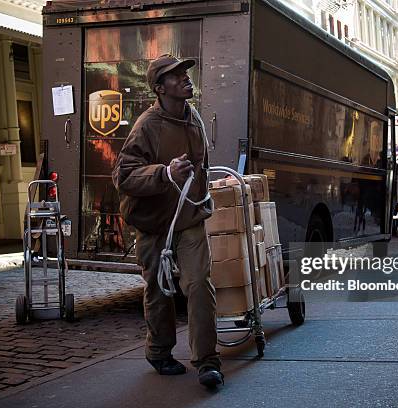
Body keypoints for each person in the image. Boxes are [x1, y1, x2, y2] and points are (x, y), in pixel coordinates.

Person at [112, 54, 223, 387]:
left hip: (188, 220)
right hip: (154, 223)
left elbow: (202, 167)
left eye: (185, 73)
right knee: (159, 291)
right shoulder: (147, 125)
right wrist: (164, 172)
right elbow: (123, 175)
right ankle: (159, 352)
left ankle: (207, 361)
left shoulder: (195, 120)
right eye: (175, 76)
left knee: (199, 284)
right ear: (159, 88)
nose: (185, 78)